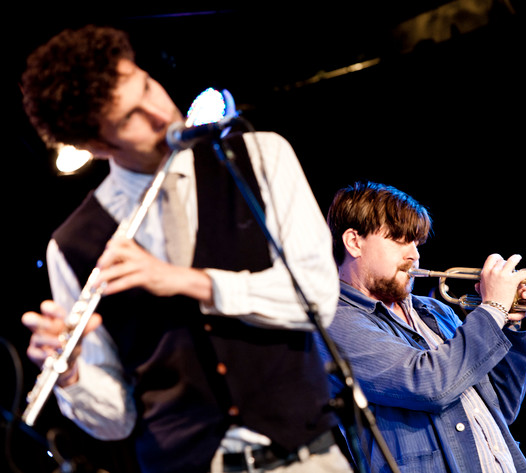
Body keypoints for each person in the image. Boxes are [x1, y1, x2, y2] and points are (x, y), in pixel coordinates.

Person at [20, 25, 353, 473]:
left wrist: (184, 280)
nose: (160, 113)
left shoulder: (260, 155)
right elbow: (118, 420)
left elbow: (317, 296)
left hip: (308, 456)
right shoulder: (73, 244)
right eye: (129, 118)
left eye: (147, 86)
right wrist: (74, 375)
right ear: (97, 146)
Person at [319, 181, 526, 473]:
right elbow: (428, 382)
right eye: (400, 239)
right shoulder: (334, 320)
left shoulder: (436, 311)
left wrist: (509, 323)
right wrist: (493, 309)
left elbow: (500, 405)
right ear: (354, 242)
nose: (415, 255)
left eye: (417, 242)